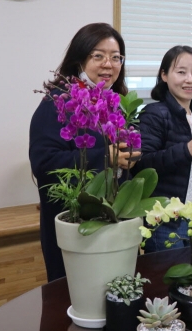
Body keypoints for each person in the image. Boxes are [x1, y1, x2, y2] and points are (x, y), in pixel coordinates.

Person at [29, 23, 139, 282]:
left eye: (115, 57)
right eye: (98, 55)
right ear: (79, 59)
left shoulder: (115, 102)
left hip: (115, 225)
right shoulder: (57, 102)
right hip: (75, 224)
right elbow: (44, 165)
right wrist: (105, 158)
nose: (108, 64)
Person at [135, 45, 192, 253]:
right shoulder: (154, 114)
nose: (189, 79)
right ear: (164, 75)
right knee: (166, 281)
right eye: (181, 72)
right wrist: (186, 150)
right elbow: (142, 165)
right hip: (164, 219)